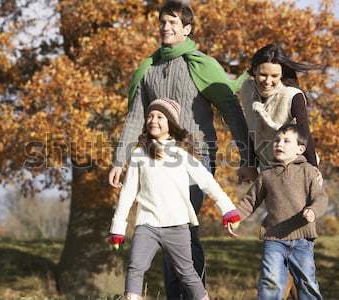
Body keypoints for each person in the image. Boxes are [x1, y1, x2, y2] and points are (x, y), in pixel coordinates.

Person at [109, 2, 256, 297]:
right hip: (155, 159)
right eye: (163, 22)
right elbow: (136, 117)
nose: (166, 27)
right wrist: (119, 160)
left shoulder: (201, 65)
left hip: (194, 158)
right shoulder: (148, 70)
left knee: (183, 228)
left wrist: (248, 156)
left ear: (186, 29)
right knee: (163, 227)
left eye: (173, 23)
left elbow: (231, 110)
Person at [109, 98, 241, 300]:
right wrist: (118, 227)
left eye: (160, 116)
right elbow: (127, 193)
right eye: (150, 116)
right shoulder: (138, 154)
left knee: (187, 273)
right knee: (135, 268)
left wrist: (228, 209)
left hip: (177, 224)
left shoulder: (181, 154)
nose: (153, 120)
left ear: (170, 124)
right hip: (147, 224)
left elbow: (207, 182)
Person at [230, 124, 328, 300]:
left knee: (307, 282)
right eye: (276, 141)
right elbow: (250, 201)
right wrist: (236, 217)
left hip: (302, 240)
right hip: (274, 238)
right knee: (270, 280)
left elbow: (321, 198)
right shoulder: (266, 175)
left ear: (300, 148)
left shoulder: (309, 172)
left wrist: (313, 211)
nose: (279, 144)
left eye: (286, 141)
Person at [239, 43, 320, 170]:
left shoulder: (292, 96)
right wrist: (247, 165)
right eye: (263, 75)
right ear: (254, 70)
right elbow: (250, 131)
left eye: (274, 76)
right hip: (266, 169)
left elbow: (305, 134)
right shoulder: (247, 90)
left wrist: (314, 171)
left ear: (281, 74)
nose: (268, 81)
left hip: (294, 169)